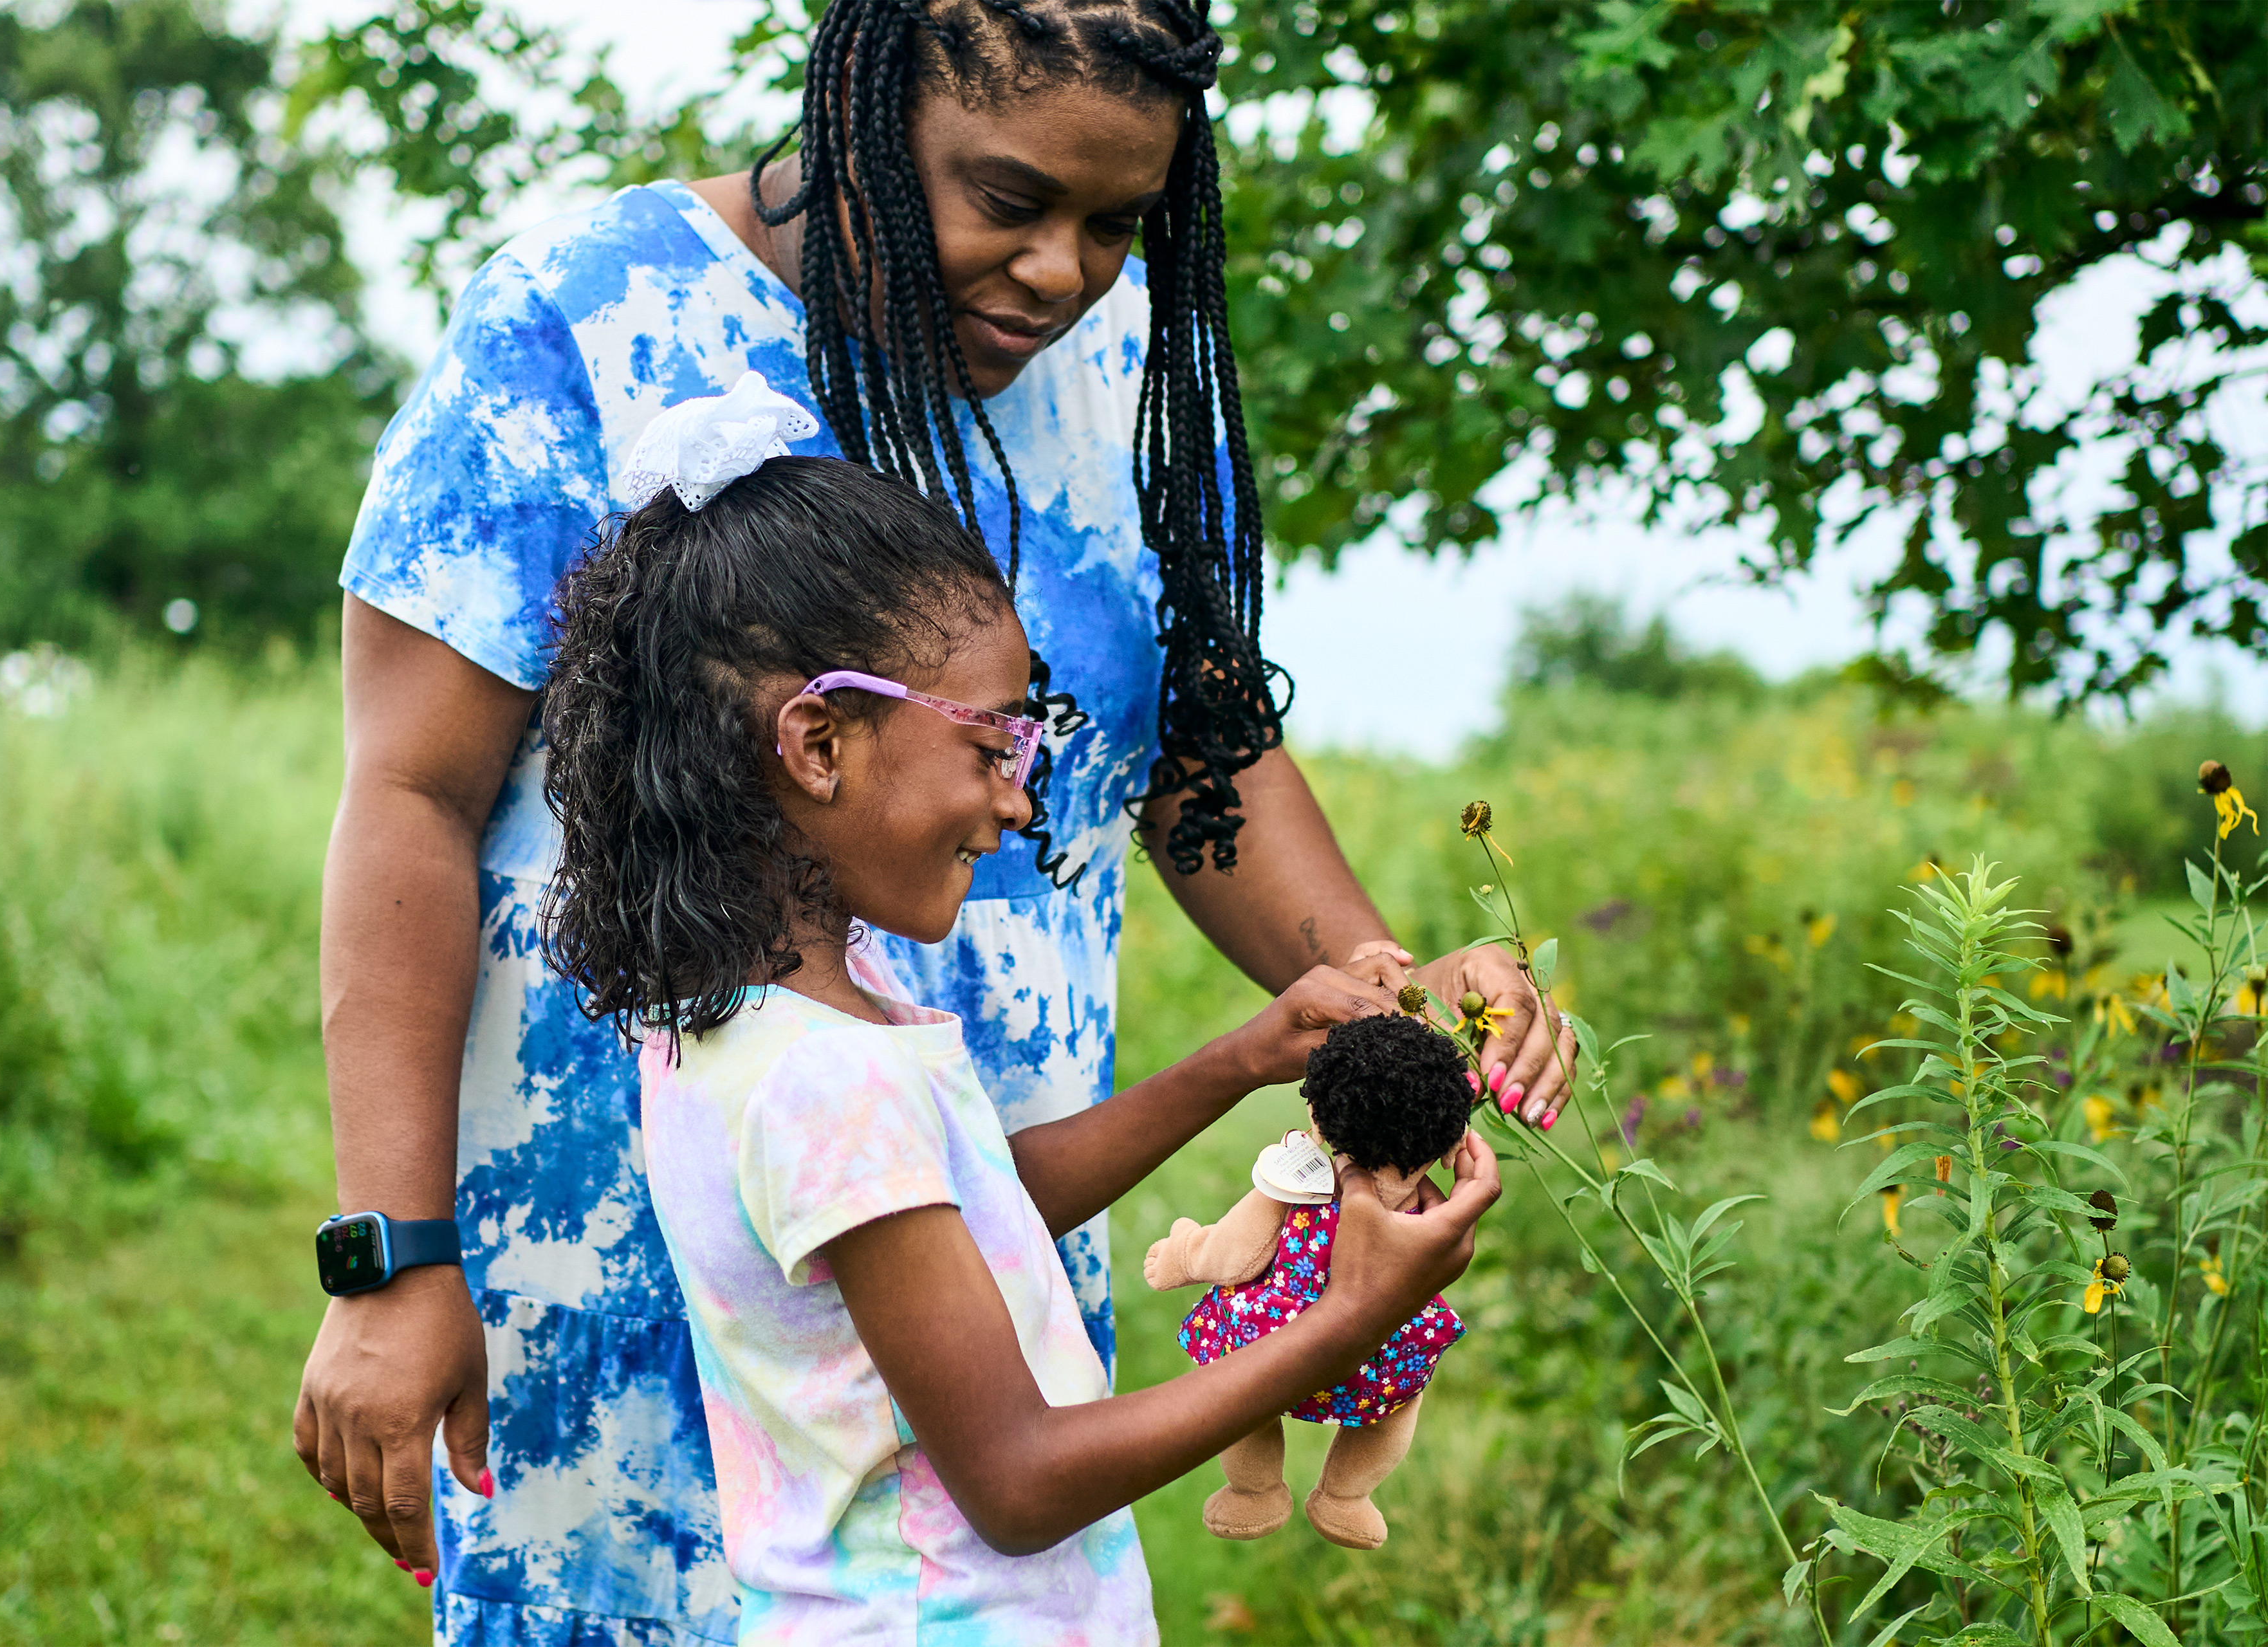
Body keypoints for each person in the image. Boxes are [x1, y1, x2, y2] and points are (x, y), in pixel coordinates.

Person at [293, 1, 1571, 1641]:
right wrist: (392, 1256)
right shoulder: (589, 321)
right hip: (633, 1247)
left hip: (983, 1209)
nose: (1065, 272)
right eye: (1010, 199)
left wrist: (1391, 990)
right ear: (862, 115)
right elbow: (411, 791)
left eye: (1119, 223)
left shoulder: (1121, 380)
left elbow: (1198, 757)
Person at [542, 395, 1501, 1643]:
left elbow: (967, 1205)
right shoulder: (829, 1077)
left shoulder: (752, 1024)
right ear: (818, 742)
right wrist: (1344, 1322)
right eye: (995, 743)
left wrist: (1239, 1061)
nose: (1017, 798)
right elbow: (1019, 1478)